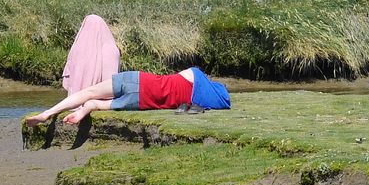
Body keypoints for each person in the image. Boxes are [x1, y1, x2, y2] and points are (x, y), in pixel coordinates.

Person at [25, 66, 231, 127]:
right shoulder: (195, 101)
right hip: (139, 102)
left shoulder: (193, 76)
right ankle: (83, 111)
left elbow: (190, 72)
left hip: (140, 80)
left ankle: (47, 113)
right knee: (95, 103)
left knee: (89, 91)